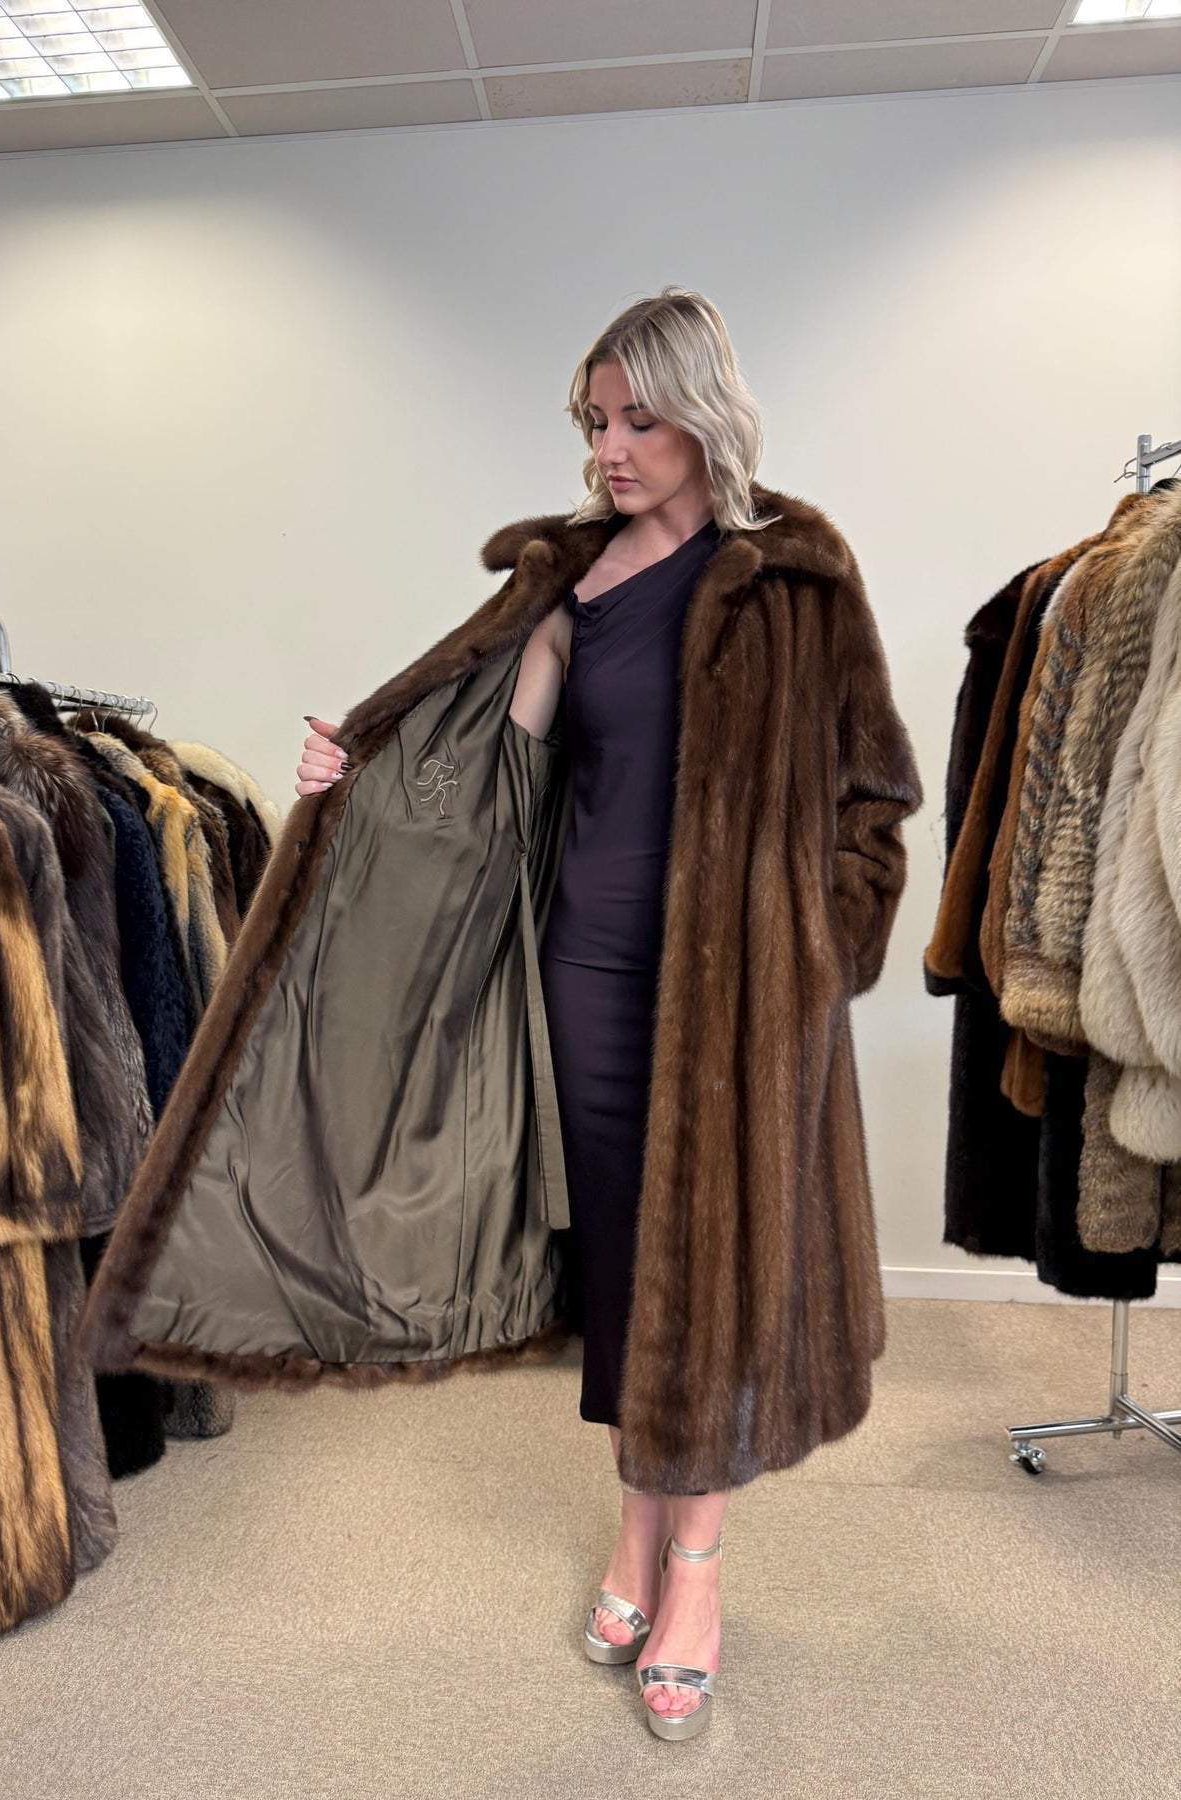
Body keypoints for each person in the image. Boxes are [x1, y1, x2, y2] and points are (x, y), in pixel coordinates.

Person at [293, 287, 919, 1741]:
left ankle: (694, 1566)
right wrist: (354, 773)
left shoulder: (794, 577)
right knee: (635, 1267)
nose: (611, 449)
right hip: (592, 974)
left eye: (639, 418)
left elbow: (872, 795)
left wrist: (816, 957)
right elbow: (480, 779)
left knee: (717, 1270)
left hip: (745, 993)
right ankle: (637, 1525)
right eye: (594, 421)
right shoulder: (569, 589)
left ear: (704, 412)